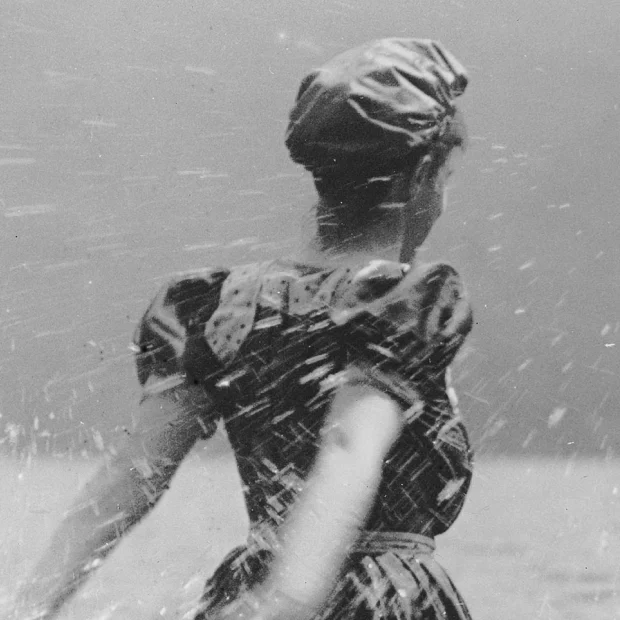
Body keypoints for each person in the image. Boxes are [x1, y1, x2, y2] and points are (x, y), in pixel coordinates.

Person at [14, 38, 474, 620]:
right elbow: (349, 444)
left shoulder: (219, 306)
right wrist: (288, 599)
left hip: (253, 582)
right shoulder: (404, 299)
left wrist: (27, 606)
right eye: (447, 182)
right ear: (423, 176)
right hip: (371, 599)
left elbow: (133, 475)